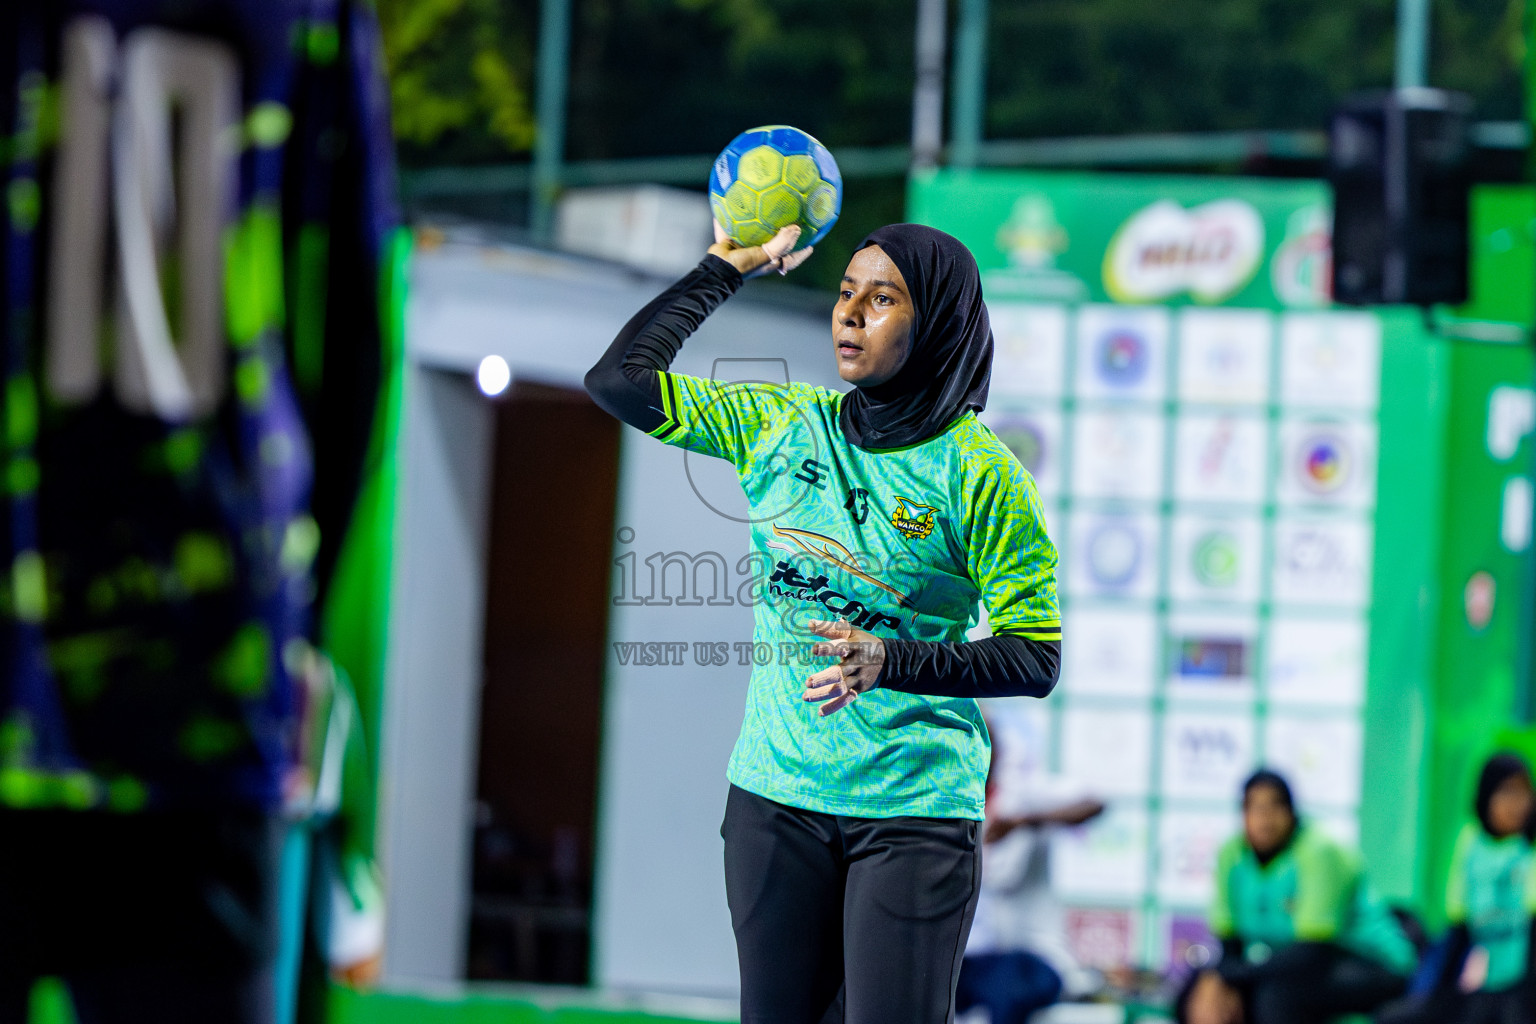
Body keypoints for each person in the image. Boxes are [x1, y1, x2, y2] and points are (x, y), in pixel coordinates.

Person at [585, 220, 1062, 1023]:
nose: (850, 314)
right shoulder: (783, 424)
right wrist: (722, 268)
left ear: (935, 320)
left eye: (882, 299)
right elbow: (619, 381)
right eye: (845, 293)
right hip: (775, 801)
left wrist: (892, 659)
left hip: (913, 812)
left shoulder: (982, 476)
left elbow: (1034, 658)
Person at [1178, 769, 1415, 1024]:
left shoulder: (1318, 852)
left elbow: (1311, 952)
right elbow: (1231, 945)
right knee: (1197, 991)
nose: (1264, 820)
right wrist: (1218, 978)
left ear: (1291, 812)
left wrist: (1234, 974)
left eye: (1274, 807)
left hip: (1371, 964)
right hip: (1297, 965)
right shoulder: (1232, 855)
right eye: (1255, 809)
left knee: (1277, 995)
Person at [956, 708, 1105, 1024]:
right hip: (970, 961)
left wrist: (1023, 822)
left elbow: (1094, 802)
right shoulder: (944, 802)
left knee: (1006, 986)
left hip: (1033, 958)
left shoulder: (1023, 794)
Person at [1377, 752, 1536, 1024]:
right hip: (1478, 965)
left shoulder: (1528, 848)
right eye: (1506, 793)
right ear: (1486, 797)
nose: (1517, 805)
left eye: (1523, 794)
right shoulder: (1471, 841)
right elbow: (1458, 917)